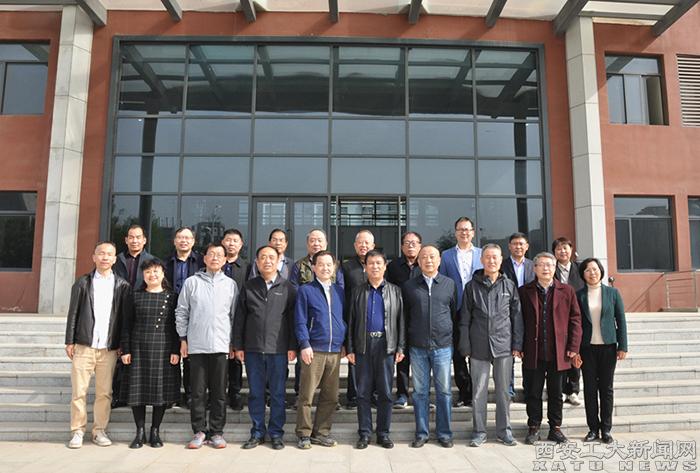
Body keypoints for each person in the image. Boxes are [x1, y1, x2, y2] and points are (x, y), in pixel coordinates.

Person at [64, 241, 132, 449]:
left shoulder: (122, 285)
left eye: (109, 254)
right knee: (79, 391)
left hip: (108, 349)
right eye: (101, 253)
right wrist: (69, 340)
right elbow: (73, 313)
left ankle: (99, 430)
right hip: (84, 345)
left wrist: (122, 344)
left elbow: (124, 319)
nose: (105, 257)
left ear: (114, 259)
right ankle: (77, 431)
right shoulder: (82, 283)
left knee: (104, 393)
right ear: (94, 257)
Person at [233, 246, 297, 450]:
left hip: (278, 350)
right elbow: (240, 318)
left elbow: (293, 320)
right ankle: (257, 432)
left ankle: (276, 433)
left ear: (279, 261)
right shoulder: (249, 287)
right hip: (253, 349)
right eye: (263, 257)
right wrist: (238, 345)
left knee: (278, 394)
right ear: (257, 262)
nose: (267, 261)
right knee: (256, 393)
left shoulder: (288, 287)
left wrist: (292, 346)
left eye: (271, 257)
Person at [460, 244, 523, 447]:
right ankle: (479, 432)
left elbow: (517, 317)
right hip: (478, 345)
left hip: (503, 345)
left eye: (495, 257)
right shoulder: (471, 286)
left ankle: (504, 432)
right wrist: (465, 345)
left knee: (503, 391)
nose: (491, 261)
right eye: (487, 257)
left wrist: (517, 344)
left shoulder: (509, 286)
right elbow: (464, 319)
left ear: (501, 259)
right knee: (478, 391)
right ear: (481, 260)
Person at [176, 243, 237, 449]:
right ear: (204, 258)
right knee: (197, 392)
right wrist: (183, 338)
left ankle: (217, 432)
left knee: (219, 392)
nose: (215, 258)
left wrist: (232, 342)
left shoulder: (230, 285)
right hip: (196, 345)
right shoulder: (191, 282)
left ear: (225, 259)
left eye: (219, 255)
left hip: (221, 345)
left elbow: (233, 316)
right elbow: (182, 312)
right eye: (211, 254)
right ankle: (199, 431)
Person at [520, 252, 582, 445]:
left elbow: (575, 319)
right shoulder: (524, 291)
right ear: (534, 268)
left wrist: (573, 346)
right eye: (542, 265)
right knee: (533, 392)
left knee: (556, 393)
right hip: (533, 351)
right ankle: (534, 426)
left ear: (555, 268)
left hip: (559, 352)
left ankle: (555, 428)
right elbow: (518, 321)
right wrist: (518, 345)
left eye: (549, 265)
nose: (546, 268)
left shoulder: (567, 291)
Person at [346, 249, 404, 450]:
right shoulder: (358, 291)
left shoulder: (395, 291)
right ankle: (364, 433)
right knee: (362, 392)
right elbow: (351, 321)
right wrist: (350, 348)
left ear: (385, 266)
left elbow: (401, 321)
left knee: (386, 392)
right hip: (363, 346)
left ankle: (383, 433)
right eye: (371, 263)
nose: (375, 267)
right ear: (365, 267)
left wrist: (400, 346)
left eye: (379, 263)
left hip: (386, 346)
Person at [120, 258, 180, 449]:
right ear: (143, 275)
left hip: (163, 347)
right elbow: (126, 325)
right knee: (137, 391)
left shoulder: (172, 297)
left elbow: (176, 326)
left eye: (155, 271)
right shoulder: (134, 296)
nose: (152, 275)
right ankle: (140, 432)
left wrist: (175, 349)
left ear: (163, 274)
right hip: (138, 347)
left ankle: (155, 431)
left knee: (159, 390)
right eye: (148, 272)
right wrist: (126, 349)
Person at [403, 245, 458, 448]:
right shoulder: (409, 286)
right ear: (418, 261)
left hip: (442, 346)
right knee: (420, 392)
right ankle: (422, 433)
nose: (428, 260)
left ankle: (444, 433)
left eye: (432, 257)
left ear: (439, 260)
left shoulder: (449, 284)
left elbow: (453, 313)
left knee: (444, 392)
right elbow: (405, 316)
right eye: (424, 257)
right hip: (417, 347)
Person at [294, 250, 346, 449]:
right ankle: (304, 433)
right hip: (313, 349)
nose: (325, 268)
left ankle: (321, 432)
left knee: (331, 396)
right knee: (306, 395)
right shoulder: (306, 290)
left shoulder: (339, 291)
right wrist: (304, 344)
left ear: (334, 268)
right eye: (321, 264)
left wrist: (343, 343)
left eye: (329, 264)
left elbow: (343, 319)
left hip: (335, 350)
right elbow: (300, 320)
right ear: (313, 268)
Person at [288, 228, 344, 406]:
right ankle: (300, 397)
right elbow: (294, 290)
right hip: (310, 325)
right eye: (312, 240)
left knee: (330, 395)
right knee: (305, 385)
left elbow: (340, 290)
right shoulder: (299, 265)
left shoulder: (336, 270)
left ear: (326, 243)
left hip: (332, 338)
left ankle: (323, 422)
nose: (316, 243)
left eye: (320, 240)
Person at [577, 258, 628, 444]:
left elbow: (620, 320)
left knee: (606, 389)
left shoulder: (612, 293)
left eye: (595, 269)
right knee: (590, 389)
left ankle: (606, 429)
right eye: (588, 270)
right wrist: (574, 350)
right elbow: (574, 324)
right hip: (586, 349)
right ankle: (593, 429)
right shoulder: (578, 295)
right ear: (583, 274)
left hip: (608, 347)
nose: (592, 273)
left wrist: (623, 346)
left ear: (601, 271)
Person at [438, 217, 482, 407]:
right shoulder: (446, 255)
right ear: (456, 232)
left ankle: (477, 392)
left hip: (478, 310)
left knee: (477, 352)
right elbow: (443, 282)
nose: (464, 232)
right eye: (460, 229)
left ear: (473, 232)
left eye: (467, 229)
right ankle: (464, 393)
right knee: (458, 352)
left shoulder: (482, 254)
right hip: (455, 310)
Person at [112, 224, 155, 408]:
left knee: (137, 355)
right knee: (118, 355)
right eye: (131, 237)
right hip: (118, 311)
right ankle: (117, 395)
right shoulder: (117, 260)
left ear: (144, 240)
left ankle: (139, 394)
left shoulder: (152, 261)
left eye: (138, 237)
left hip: (141, 312)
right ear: (126, 240)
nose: (134, 240)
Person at [165, 226, 203, 409]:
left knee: (190, 357)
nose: (184, 241)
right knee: (170, 354)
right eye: (180, 237)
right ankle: (171, 394)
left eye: (187, 238)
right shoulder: (166, 263)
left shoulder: (201, 262)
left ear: (193, 241)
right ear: (174, 241)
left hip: (194, 314)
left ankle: (189, 394)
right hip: (169, 312)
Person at [386, 231, 422, 409]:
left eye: (414, 242)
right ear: (401, 247)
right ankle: (402, 394)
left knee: (422, 359)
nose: (411, 245)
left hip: (420, 317)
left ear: (420, 246)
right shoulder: (393, 267)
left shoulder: (425, 264)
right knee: (401, 357)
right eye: (407, 243)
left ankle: (422, 395)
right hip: (399, 317)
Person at [341, 230, 375, 409]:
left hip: (375, 319)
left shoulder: (378, 264)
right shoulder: (346, 267)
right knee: (354, 359)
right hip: (354, 319)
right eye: (360, 243)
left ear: (373, 246)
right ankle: (353, 397)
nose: (363, 246)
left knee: (375, 359)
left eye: (367, 243)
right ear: (355, 246)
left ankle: (373, 395)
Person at [500, 232, 534, 400]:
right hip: (507, 313)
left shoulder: (533, 266)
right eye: (515, 244)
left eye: (521, 244)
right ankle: (509, 390)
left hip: (530, 314)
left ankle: (529, 390)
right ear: (509, 246)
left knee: (529, 354)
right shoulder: (502, 265)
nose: (518, 247)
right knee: (508, 355)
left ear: (527, 246)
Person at [552, 237, 585, 407]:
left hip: (576, 317)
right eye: (559, 249)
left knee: (574, 353)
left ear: (571, 250)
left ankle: (573, 390)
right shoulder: (551, 269)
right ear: (554, 252)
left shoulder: (580, 269)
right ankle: (562, 390)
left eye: (565, 248)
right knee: (560, 356)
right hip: (556, 318)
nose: (562, 251)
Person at [221, 228, 251, 411]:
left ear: (241, 245)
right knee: (218, 360)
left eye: (235, 241)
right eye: (228, 240)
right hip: (218, 318)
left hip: (239, 317)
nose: (231, 244)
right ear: (222, 242)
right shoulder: (215, 264)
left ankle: (235, 393)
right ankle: (218, 395)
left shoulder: (247, 268)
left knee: (236, 358)